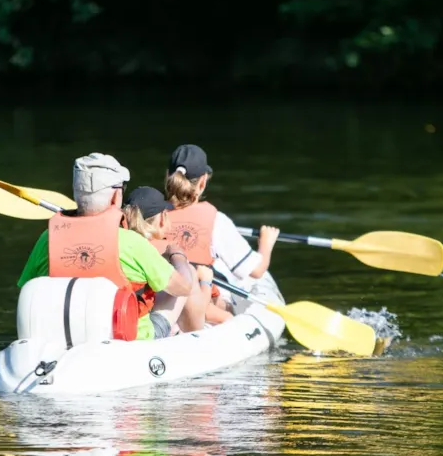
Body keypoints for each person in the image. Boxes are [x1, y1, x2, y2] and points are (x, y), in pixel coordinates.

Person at [16, 153, 195, 341]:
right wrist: (177, 255)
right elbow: (183, 288)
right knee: (184, 279)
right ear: (115, 196)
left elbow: (26, 289)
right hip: (128, 340)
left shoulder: (47, 239)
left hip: (61, 340)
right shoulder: (132, 243)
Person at [163, 144, 280, 298]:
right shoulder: (217, 221)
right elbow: (256, 271)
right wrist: (266, 243)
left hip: (161, 298)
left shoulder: (152, 214)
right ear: (203, 182)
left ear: (167, 176)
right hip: (200, 302)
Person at [123, 186, 229, 326]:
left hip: (120, 321)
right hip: (144, 329)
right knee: (189, 275)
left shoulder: (118, 243)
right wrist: (206, 282)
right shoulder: (157, 253)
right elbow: (196, 319)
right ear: (161, 219)